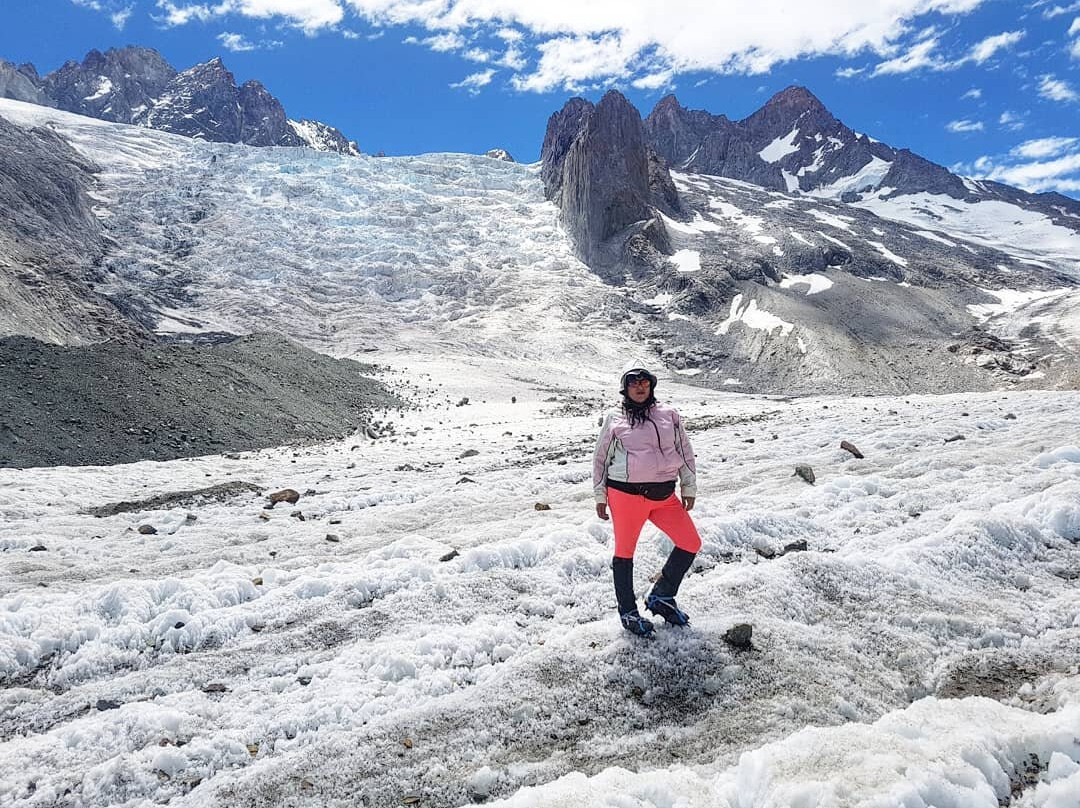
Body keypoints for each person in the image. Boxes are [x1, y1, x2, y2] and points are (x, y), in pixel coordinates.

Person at [592, 365, 701, 636]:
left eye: (645, 383)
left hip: (664, 496)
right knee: (625, 553)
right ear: (625, 389)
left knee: (690, 542)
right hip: (626, 495)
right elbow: (600, 458)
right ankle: (628, 612)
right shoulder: (615, 418)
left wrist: (689, 487)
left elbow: (684, 451)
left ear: (651, 386)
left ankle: (662, 596)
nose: (640, 387)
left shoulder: (669, 415)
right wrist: (600, 494)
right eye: (634, 383)